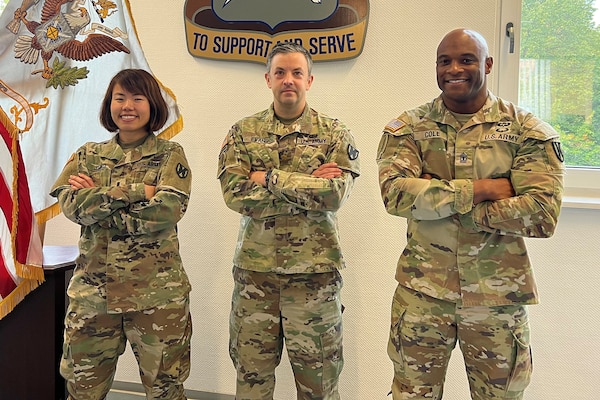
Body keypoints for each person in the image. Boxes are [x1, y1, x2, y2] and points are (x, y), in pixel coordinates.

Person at [376, 29, 564, 399]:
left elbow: (541, 214)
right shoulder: (409, 128)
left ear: (488, 64)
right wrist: (482, 190)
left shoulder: (527, 131)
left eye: (466, 59)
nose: (454, 69)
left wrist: (439, 199)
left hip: (496, 301)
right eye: (445, 61)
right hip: (422, 295)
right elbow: (395, 196)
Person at [218, 42, 360, 400]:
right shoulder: (241, 132)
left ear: (309, 80)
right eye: (280, 72)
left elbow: (333, 196)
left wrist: (267, 177)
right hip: (256, 279)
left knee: (319, 387)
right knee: (252, 384)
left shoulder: (335, 134)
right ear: (268, 79)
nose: (288, 80)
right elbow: (235, 195)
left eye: (297, 72)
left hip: (315, 281)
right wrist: (309, 185)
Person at [50, 69, 192, 400]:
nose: (127, 105)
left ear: (152, 105)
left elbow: (167, 210)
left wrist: (99, 200)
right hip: (93, 297)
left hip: (156, 297)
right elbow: (72, 208)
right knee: (82, 390)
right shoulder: (88, 155)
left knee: (165, 390)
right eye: (120, 98)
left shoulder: (170, 155)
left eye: (137, 98)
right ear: (109, 105)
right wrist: (135, 191)